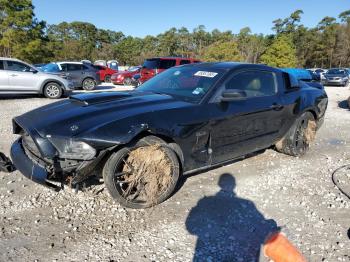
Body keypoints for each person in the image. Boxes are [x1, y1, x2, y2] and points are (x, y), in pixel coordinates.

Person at [186, 173, 278, 261]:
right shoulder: (246, 203)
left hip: (212, 247)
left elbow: (190, 227)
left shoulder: (205, 202)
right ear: (234, 185)